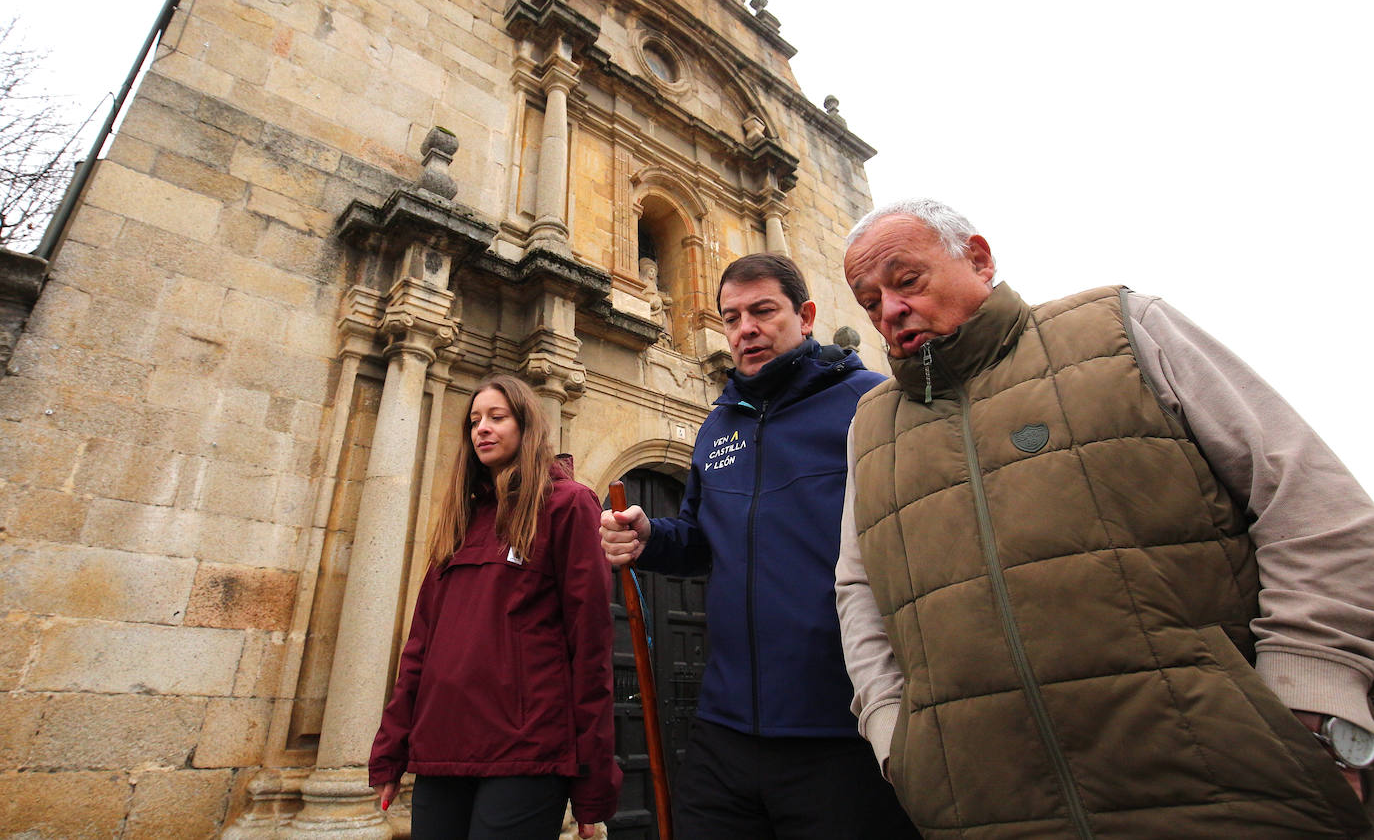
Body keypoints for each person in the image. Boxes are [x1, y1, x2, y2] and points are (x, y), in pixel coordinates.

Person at [836, 197, 1374, 839]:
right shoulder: (871, 426)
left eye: (907, 280)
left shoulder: (1121, 328)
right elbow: (859, 593)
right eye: (869, 301)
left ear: (978, 259)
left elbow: (1309, 500)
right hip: (988, 812)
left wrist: (1315, 699)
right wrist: (898, 742)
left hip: (1238, 791)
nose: (889, 310)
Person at [601, 253, 919, 840]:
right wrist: (650, 537)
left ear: (807, 315)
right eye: (731, 317)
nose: (745, 327)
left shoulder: (870, 404)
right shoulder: (718, 426)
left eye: (762, 311)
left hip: (840, 730)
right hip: (724, 730)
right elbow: (700, 539)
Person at [370, 374, 620, 840]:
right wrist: (392, 751)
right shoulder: (462, 517)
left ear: (527, 425)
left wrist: (593, 787)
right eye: (474, 420)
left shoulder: (567, 505)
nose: (482, 428)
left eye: (497, 417)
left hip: (526, 753)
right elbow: (420, 647)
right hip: (441, 747)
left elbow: (589, 648)